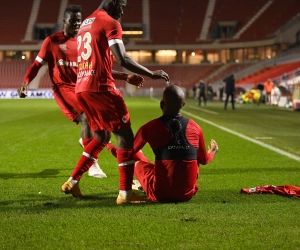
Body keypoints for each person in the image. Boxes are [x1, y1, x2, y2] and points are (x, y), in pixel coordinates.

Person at [61, 0, 169, 204]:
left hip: (83, 88)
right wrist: (152, 73)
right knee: (126, 136)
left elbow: (95, 62)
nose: (122, 10)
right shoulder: (110, 23)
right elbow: (123, 58)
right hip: (101, 89)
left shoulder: (86, 23)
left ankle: (73, 181)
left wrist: (124, 77)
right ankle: (125, 193)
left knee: (101, 136)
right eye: (122, 5)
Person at [17, 5, 142, 178]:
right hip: (63, 88)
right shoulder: (52, 42)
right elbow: (36, 65)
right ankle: (93, 163)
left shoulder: (84, 39)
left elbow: (97, 68)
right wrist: (25, 83)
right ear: (64, 21)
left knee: (98, 122)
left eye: (78, 20)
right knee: (87, 117)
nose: (76, 24)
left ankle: (88, 147)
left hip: (83, 85)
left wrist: (124, 76)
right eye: (72, 21)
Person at [107, 85, 219, 202]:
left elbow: (127, 154)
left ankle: (142, 184)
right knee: (190, 159)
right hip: (187, 195)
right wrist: (212, 152)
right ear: (183, 104)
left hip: (160, 194)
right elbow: (204, 160)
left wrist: (109, 145)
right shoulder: (196, 127)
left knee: (137, 162)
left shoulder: (150, 127)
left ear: (162, 103)